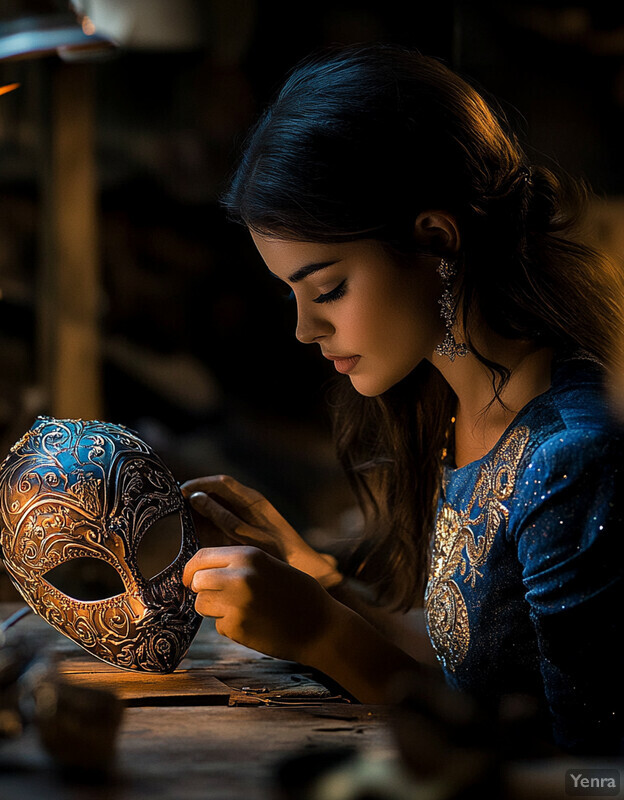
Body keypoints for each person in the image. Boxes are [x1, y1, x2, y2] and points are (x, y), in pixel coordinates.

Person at [180, 42, 624, 756]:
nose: (304, 327)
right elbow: (471, 667)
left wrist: (325, 635)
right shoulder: (454, 409)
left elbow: (587, 773)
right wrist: (318, 581)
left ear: (436, 240)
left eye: (327, 289)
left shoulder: (572, 455)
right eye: (291, 293)